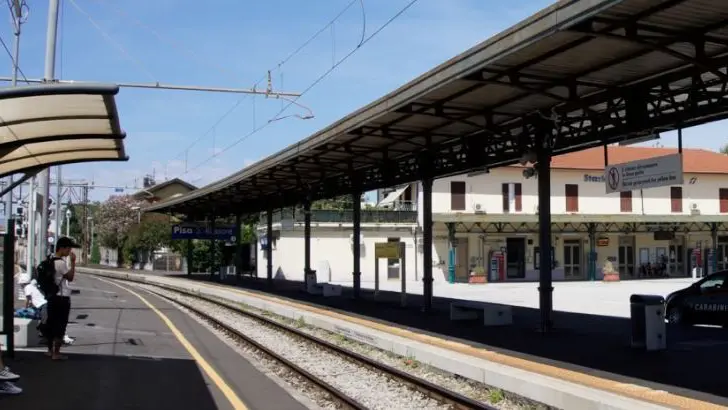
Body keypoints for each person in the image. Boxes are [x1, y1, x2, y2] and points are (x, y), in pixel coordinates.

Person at [45, 236, 79, 360]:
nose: (69, 251)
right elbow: (70, 277)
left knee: (51, 323)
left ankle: (49, 351)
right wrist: (73, 262)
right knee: (60, 325)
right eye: (68, 248)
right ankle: (56, 353)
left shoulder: (49, 260)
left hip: (51, 297)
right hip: (62, 297)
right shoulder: (60, 263)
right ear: (62, 248)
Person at [24, 278, 75, 345]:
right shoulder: (32, 286)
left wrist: (25, 308)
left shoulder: (27, 287)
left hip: (43, 305)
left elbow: (28, 300)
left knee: (45, 322)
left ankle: (56, 339)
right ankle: (50, 338)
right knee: (46, 322)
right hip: (44, 304)